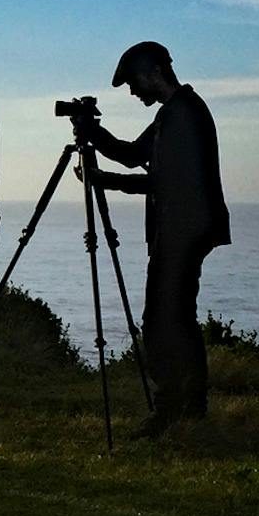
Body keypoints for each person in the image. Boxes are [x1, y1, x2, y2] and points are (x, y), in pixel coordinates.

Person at [79, 40, 231, 438]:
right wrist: (92, 132)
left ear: (156, 72)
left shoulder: (183, 114)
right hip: (182, 229)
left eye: (135, 82)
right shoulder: (175, 112)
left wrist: (104, 180)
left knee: (162, 321)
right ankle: (190, 407)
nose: (133, 91)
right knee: (178, 318)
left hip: (184, 230)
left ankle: (170, 410)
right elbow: (132, 154)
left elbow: (161, 181)